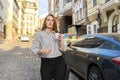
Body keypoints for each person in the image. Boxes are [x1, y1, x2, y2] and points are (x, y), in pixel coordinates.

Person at [31, 14, 66, 80]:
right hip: (46, 63)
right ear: (45, 22)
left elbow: (63, 49)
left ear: (54, 23)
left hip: (59, 62)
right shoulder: (39, 34)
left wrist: (60, 40)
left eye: (52, 20)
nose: (50, 22)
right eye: (48, 20)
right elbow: (34, 48)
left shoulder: (57, 34)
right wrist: (42, 51)